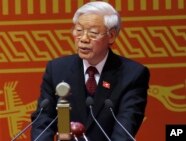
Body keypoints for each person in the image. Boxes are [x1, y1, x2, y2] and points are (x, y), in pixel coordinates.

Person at [31, 1, 150, 141]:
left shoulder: (132, 75)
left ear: (111, 36)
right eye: (79, 31)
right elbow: (43, 120)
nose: (83, 39)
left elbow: (125, 127)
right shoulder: (57, 69)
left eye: (93, 33)